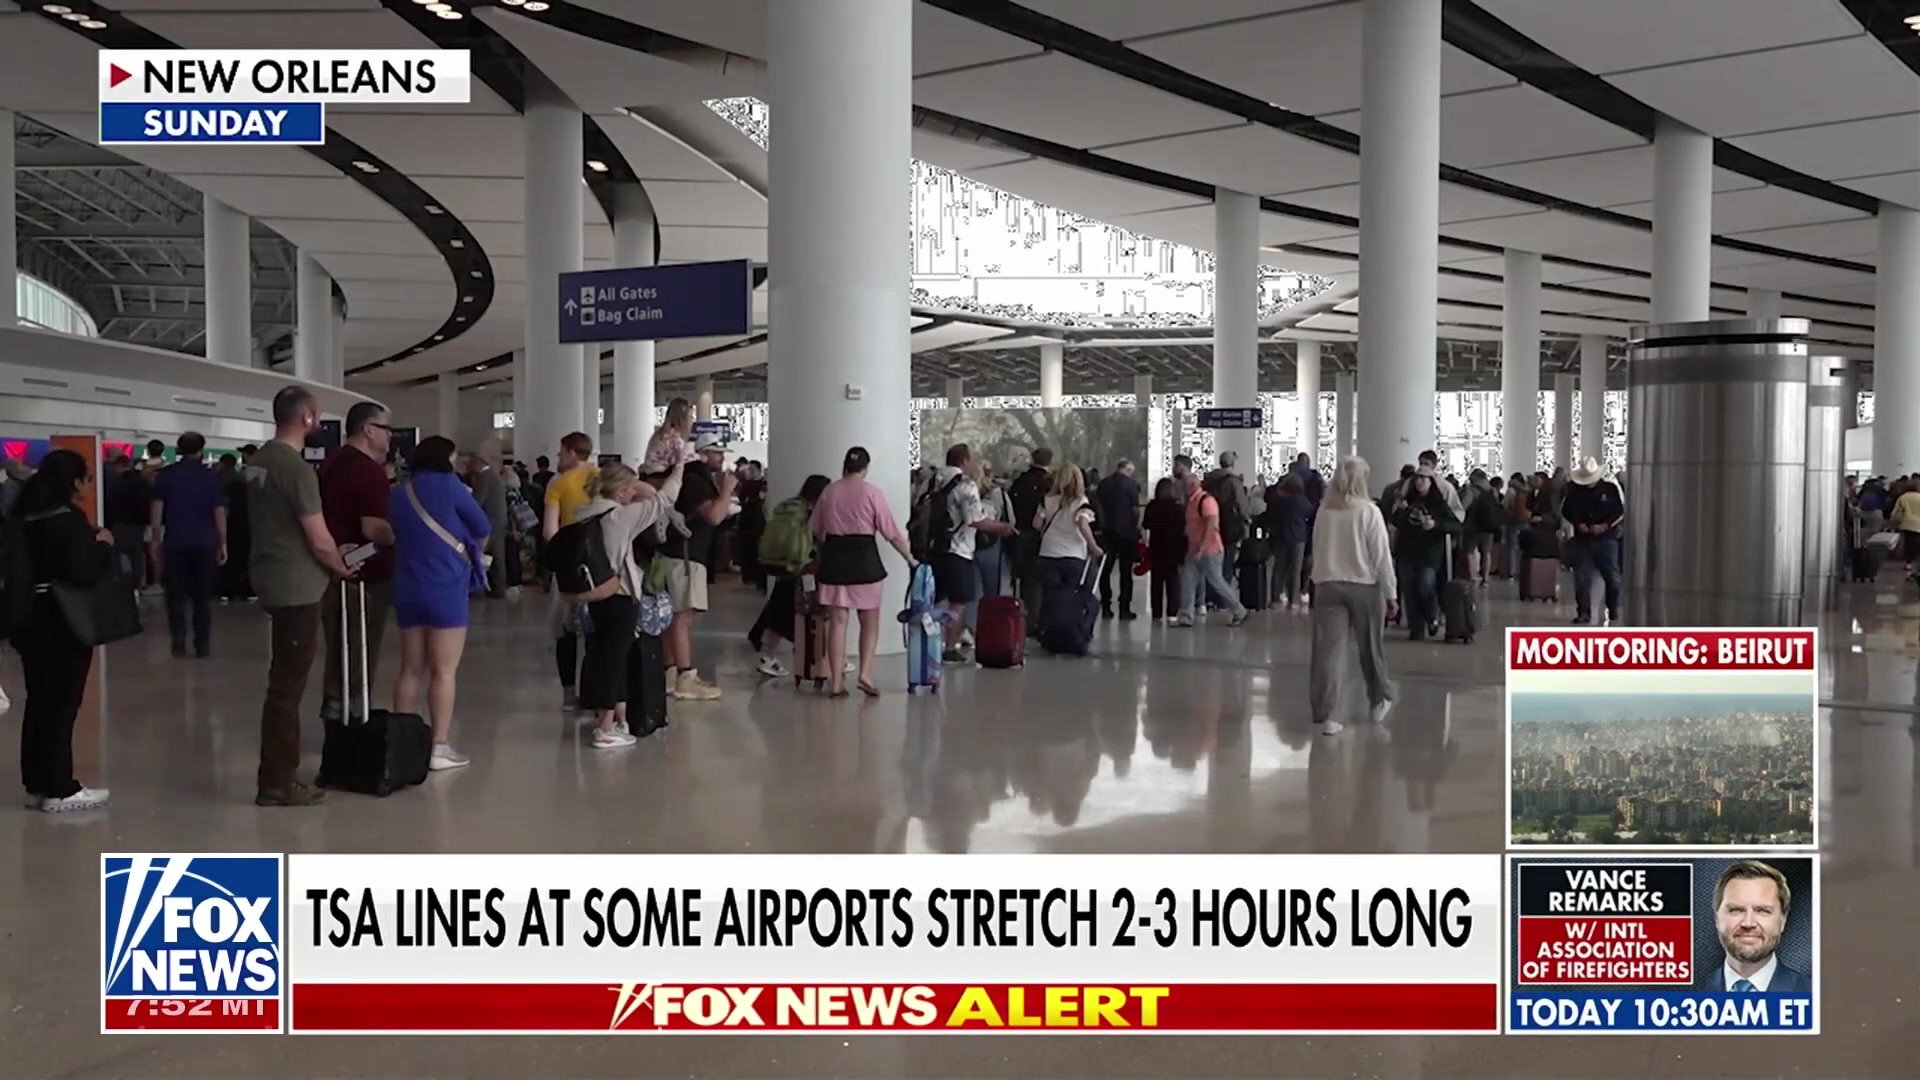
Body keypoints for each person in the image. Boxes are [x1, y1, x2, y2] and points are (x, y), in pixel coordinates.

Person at [249, 386, 357, 808]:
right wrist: (339, 563)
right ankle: (278, 780)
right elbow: (317, 536)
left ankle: (277, 775)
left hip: (270, 574)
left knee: (283, 680)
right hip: (298, 585)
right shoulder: (296, 469)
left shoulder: (259, 461)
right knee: (287, 687)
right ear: (307, 418)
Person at [11, 449, 116, 811]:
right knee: (61, 704)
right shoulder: (69, 520)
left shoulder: (25, 516)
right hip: (63, 620)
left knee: (39, 702)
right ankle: (60, 788)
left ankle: (37, 783)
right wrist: (103, 547)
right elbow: (83, 571)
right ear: (75, 482)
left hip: (28, 617)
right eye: (87, 479)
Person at [388, 436, 491, 771]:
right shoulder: (451, 487)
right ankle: (439, 747)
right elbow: (483, 526)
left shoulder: (400, 492)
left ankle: (403, 745)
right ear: (444, 459)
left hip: (407, 587)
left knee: (409, 669)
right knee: (444, 671)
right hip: (445, 587)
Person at [576, 461, 682, 747]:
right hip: (620, 595)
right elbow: (664, 498)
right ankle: (605, 728)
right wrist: (680, 465)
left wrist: (631, 485)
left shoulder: (584, 512)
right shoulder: (620, 517)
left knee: (602, 655)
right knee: (615, 660)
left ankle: (613, 718)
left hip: (595, 593)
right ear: (622, 490)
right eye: (630, 489)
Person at [810, 446, 915, 697]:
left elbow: (815, 528)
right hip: (865, 560)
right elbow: (891, 532)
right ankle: (865, 675)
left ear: (845, 466)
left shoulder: (829, 491)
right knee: (869, 620)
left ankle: (836, 683)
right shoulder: (872, 493)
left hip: (835, 559)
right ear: (866, 469)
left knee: (837, 621)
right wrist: (910, 559)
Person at [1308, 457, 1398, 735]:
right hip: (1364, 585)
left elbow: (1316, 546)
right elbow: (1380, 556)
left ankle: (1330, 715)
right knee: (1370, 646)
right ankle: (1379, 698)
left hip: (1327, 584)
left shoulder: (1325, 511)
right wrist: (1391, 592)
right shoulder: (1369, 511)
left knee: (1328, 653)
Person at [318, 404, 395, 728]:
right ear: (368, 429)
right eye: (386, 429)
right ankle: (354, 715)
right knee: (362, 646)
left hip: (332, 567)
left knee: (339, 644)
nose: (390, 436)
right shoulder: (368, 471)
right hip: (366, 573)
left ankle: (335, 707)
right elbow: (373, 527)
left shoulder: (331, 463)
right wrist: (400, 534)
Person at [655, 430, 735, 700]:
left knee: (675, 616)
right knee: (683, 615)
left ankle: (670, 673)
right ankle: (685, 677)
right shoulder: (696, 480)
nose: (721, 458)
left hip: (676, 554)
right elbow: (714, 516)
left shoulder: (689, 478)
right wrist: (726, 491)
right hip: (687, 556)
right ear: (703, 454)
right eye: (717, 453)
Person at [929, 444, 1013, 664]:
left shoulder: (931, 481)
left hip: (932, 547)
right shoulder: (966, 485)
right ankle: (949, 647)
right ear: (964, 460)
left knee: (932, 598)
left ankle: (927, 641)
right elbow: (974, 519)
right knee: (958, 601)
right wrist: (1001, 527)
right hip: (958, 549)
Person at [148, 431, 228, 658]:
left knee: (175, 595)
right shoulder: (211, 478)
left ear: (179, 450)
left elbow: (156, 511)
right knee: (202, 598)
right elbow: (219, 512)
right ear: (201, 450)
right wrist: (223, 542)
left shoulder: (165, 476)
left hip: (175, 542)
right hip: (205, 542)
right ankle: (202, 644)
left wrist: (155, 540)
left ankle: (178, 641)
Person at [748, 473, 831, 678]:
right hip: (804, 568)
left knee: (780, 609)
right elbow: (819, 538)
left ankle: (768, 655)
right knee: (809, 613)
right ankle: (823, 658)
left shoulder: (789, 506)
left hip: (785, 565)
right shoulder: (812, 512)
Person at [1694, 861, 1811, 993]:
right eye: (1736, 910)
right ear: (1716, 918)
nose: (1748, 923)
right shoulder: (1689, 994)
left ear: (1783, 919)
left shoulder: (1815, 995)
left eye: (1762, 911)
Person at [541, 432, 596, 710]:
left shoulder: (557, 483)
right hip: (600, 564)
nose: (558, 457)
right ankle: (595, 692)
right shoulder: (602, 478)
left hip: (569, 564)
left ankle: (568, 693)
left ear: (572, 453)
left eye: (561, 452)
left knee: (565, 629)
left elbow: (550, 531)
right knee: (597, 630)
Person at [1035, 463, 1102, 645]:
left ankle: (1050, 636)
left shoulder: (1047, 499)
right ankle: (1072, 634)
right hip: (1073, 556)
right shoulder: (1080, 501)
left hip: (1048, 554)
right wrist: (1094, 547)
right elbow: (1082, 524)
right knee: (1073, 598)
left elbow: (1036, 524)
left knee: (1051, 598)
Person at [1391, 470, 1460, 641]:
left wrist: (1435, 525)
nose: (1419, 482)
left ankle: (1432, 616)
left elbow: (1455, 524)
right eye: (1417, 478)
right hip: (1407, 551)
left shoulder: (1439, 503)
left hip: (1429, 553)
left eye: (1424, 479)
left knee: (1425, 585)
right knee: (1409, 590)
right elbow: (1396, 521)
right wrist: (1400, 511)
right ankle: (1416, 628)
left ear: (1431, 481)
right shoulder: (1408, 500)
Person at [1178, 469, 1248, 627]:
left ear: (1192, 485)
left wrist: (1202, 547)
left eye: (1185, 486)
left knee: (1217, 582)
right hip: (1194, 549)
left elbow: (1211, 525)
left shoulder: (1206, 501)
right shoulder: (1192, 501)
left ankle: (1239, 610)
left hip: (1210, 550)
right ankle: (1186, 616)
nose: (1183, 489)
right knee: (1188, 580)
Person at [1562, 456, 1625, 625]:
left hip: (1606, 539)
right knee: (1582, 578)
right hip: (1583, 540)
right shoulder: (1575, 491)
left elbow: (1619, 511)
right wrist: (1578, 523)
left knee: (1612, 577)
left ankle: (1613, 608)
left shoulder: (1610, 489)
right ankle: (1583, 612)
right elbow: (1566, 510)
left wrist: (1605, 525)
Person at [1008, 447, 1054, 627]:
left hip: (1020, 533)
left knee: (1025, 578)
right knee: (1040, 579)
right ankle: (1039, 619)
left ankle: (1026, 616)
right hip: (1042, 535)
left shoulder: (1020, 481)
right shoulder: (1049, 483)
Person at [1094, 460, 1141, 620]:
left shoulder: (1104, 484)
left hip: (1107, 532)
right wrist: (1136, 527)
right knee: (1125, 571)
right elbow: (1135, 510)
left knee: (1105, 570)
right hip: (1127, 533)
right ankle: (1124, 608)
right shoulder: (1131, 485)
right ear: (1128, 469)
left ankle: (1106, 606)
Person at [1263, 475, 1313, 610]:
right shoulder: (1301, 501)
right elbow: (1310, 513)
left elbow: (1269, 516)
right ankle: (1294, 600)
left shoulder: (1277, 501)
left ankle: (1275, 599)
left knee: (1278, 568)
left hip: (1280, 537)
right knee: (1295, 569)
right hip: (1298, 538)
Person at [466, 450, 510, 598]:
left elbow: (477, 501)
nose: (467, 468)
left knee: (481, 555)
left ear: (477, 463)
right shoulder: (493, 476)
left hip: (490, 521)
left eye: (469, 464)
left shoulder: (484, 477)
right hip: (499, 520)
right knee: (498, 556)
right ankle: (499, 589)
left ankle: (480, 589)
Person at [103, 453, 150, 588]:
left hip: (120, 522)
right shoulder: (142, 481)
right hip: (138, 524)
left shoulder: (116, 482)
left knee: (117, 553)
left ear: (118, 465)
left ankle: (120, 583)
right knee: (137, 555)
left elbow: (111, 502)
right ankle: (138, 584)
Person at [1143, 477, 1186, 622]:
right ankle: (1172, 613)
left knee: (1156, 580)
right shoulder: (1178, 507)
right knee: (1173, 580)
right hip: (1175, 547)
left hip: (1157, 546)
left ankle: (1157, 612)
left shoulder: (1152, 506)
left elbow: (1146, 524)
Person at [642, 397, 697, 477]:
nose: (692, 421)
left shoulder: (660, 434)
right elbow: (678, 460)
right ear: (682, 419)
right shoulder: (674, 437)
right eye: (691, 417)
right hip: (661, 476)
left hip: (652, 474)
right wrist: (699, 457)